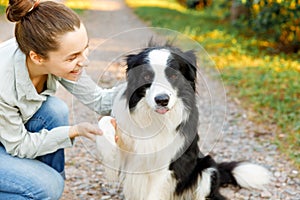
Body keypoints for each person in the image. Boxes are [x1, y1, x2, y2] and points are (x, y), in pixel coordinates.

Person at [0, 0, 118, 199]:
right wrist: (74, 131)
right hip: (11, 140)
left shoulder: (50, 51)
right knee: (48, 187)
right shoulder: (4, 81)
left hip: (7, 133)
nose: (84, 61)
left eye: (85, 49)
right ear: (37, 58)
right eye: (73, 57)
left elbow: (99, 100)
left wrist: (141, 87)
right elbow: (19, 145)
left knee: (54, 110)